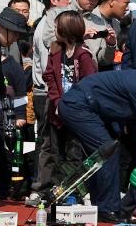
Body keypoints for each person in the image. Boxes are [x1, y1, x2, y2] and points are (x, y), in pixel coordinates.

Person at [56, 62, 136, 222]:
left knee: (103, 154)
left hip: (91, 108)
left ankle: (101, 204)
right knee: (108, 152)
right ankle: (108, 208)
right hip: (78, 105)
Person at [25, 0, 72, 206]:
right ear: (54, 1)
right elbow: (47, 67)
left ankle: (50, 187)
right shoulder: (48, 26)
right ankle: (41, 189)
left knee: (54, 142)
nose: (69, 0)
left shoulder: (53, 22)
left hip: (50, 91)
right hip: (46, 92)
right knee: (48, 142)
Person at [40, 11, 95, 192]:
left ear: (66, 29)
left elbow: (90, 84)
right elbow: (49, 75)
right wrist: (57, 102)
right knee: (57, 154)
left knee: (75, 154)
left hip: (77, 115)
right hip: (57, 113)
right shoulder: (56, 50)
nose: (54, 30)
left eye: (57, 27)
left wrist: (74, 108)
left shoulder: (84, 55)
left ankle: (75, 192)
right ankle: (59, 190)